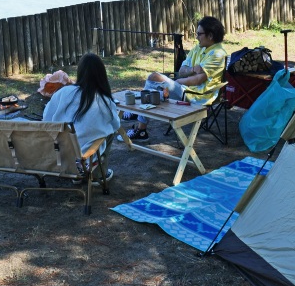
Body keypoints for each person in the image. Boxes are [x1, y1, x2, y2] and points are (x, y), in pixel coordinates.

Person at [126, 16, 227, 140]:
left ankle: (138, 120)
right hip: (186, 90)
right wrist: (192, 70)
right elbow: (182, 70)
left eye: (199, 34)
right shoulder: (198, 48)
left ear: (210, 36)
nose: (196, 37)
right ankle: (141, 130)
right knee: (155, 91)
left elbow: (197, 80)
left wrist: (177, 82)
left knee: (154, 78)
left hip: (198, 96)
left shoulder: (218, 54)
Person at [42, 53, 120, 183]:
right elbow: (116, 125)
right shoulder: (104, 100)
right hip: (84, 158)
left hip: (58, 154)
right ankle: (98, 175)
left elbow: (46, 120)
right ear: (102, 75)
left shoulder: (62, 92)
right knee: (110, 132)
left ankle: (78, 171)